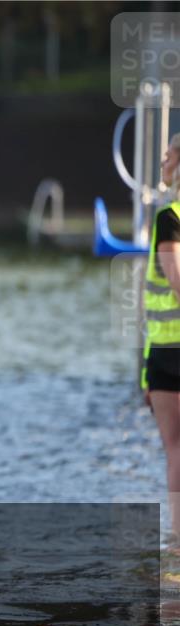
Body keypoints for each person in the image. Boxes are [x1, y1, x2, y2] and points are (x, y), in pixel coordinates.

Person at [143, 133, 180, 550]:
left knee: (176, 450)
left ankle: (177, 543)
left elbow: (175, 280)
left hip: (171, 353)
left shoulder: (170, 217)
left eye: (168, 157)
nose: (163, 165)